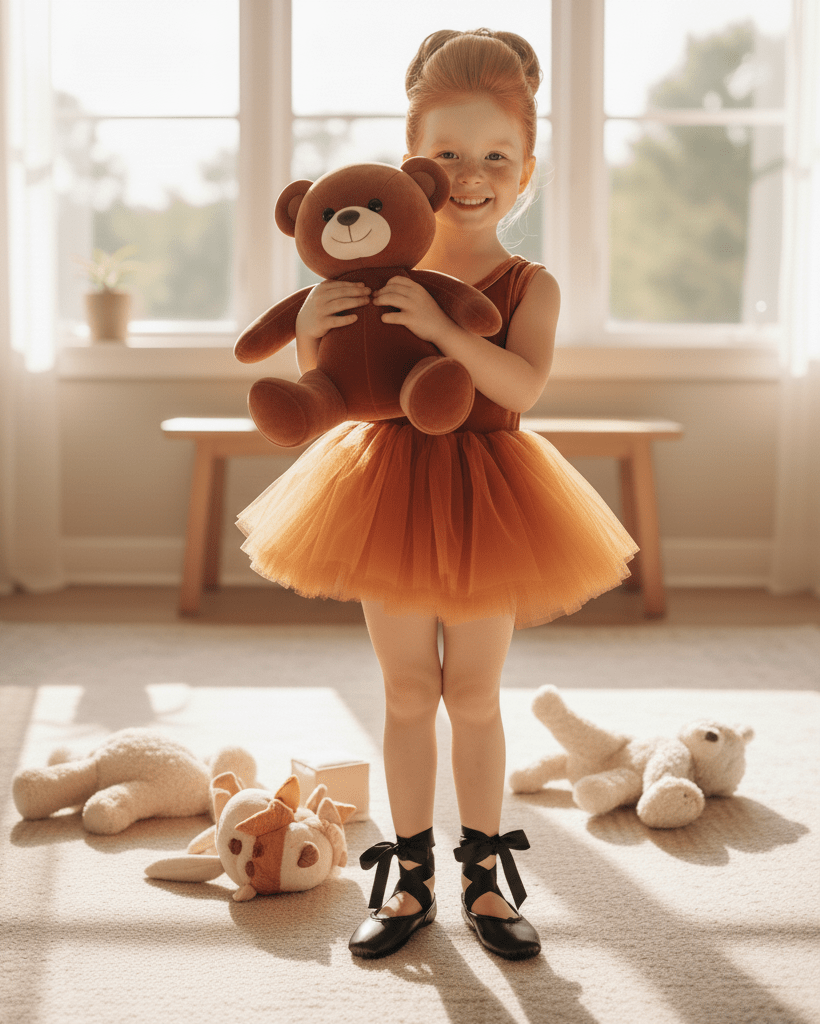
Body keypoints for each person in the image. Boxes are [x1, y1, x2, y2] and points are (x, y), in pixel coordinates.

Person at [236, 28, 637, 961]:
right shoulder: (362, 272)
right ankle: (408, 874)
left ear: (526, 170)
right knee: (409, 688)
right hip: (386, 487)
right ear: (414, 168)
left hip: (495, 490)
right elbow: (340, 397)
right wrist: (313, 327)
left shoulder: (531, 285)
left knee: (477, 693)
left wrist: (442, 330)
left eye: (496, 155)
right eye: (448, 154)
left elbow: (521, 390)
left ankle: (485, 879)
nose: (472, 172)